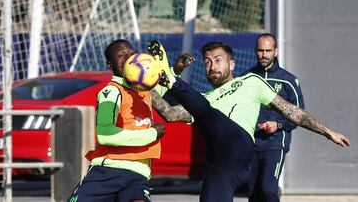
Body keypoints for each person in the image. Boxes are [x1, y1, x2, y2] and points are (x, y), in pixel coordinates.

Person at [147, 40, 350, 202]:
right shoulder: (206, 97)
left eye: (218, 60)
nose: (212, 66)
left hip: (239, 145)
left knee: (208, 113)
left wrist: (327, 131)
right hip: (219, 165)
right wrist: (144, 86)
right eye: (207, 62)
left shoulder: (251, 82)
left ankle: (171, 79)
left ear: (232, 63)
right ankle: (168, 78)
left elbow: (291, 111)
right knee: (205, 109)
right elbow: (170, 113)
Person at [67, 39, 168, 202]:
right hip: (109, 170)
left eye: (131, 54)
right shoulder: (112, 91)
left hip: (138, 174)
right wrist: (151, 134)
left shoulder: (145, 90)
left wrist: (175, 70)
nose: (128, 58)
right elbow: (105, 134)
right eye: (121, 55)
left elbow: (168, 93)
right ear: (110, 65)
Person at [243, 33, 304, 202]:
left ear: (276, 51)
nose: (264, 55)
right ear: (255, 51)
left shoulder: (289, 80)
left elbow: (299, 115)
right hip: (251, 144)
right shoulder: (246, 78)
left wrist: (278, 124)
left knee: (268, 189)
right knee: (252, 192)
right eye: (260, 50)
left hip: (275, 144)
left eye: (268, 50)